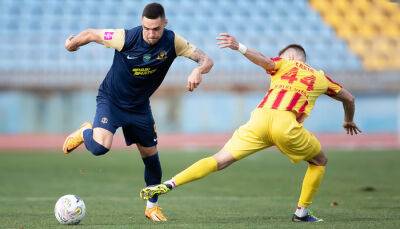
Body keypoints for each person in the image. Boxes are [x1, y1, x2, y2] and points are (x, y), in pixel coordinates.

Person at [140, 33, 361, 222]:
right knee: (319, 161)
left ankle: (169, 184)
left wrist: (239, 47)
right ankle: (301, 212)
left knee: (219, 159)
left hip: (259, 120)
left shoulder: (283, 63)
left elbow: (266, 61)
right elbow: (349, 98)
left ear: (291, 56)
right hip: (287, 126)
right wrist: (348, 120)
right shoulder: (320, 77)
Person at [62, 3, 213, 222]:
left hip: (140, 107)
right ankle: (86, 131)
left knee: (151, 158)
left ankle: (152, 207)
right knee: (99, 148)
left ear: (165, 24)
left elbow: (207, 59)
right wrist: (72, 44)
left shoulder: (173, 41)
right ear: (142, 23)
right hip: (111, 101)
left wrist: (198, 70)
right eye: (147, 28)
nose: (151, 34)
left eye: (156, 29)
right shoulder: (126, 37)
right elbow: (92, 34)